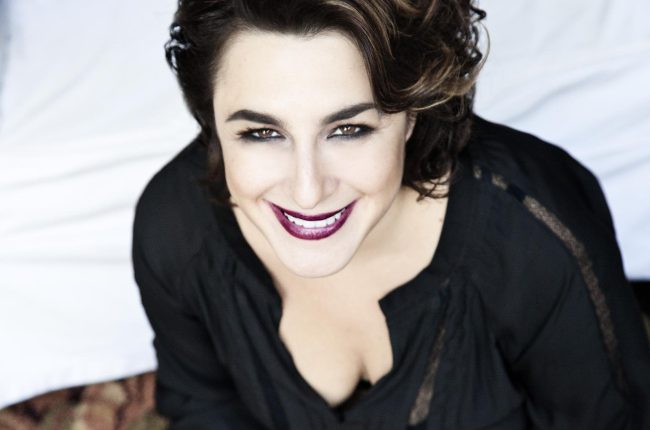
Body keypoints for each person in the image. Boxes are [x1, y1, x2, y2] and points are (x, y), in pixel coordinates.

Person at [131, 0, 650, 428]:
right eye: (262, 133)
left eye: (349, 129)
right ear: (212, 121)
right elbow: (204, 408)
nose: (307, 191)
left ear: (412, 113)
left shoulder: (535, 232)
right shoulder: (175, 227)